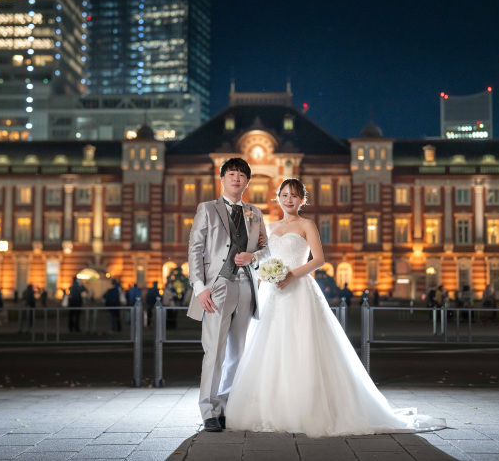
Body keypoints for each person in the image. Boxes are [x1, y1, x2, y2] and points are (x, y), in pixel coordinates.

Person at [227, 178, 445, 437]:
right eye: (284, 195)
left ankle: (307, 407)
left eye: (294, 196)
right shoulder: (270, 226)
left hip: (299, 289)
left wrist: (292, 274)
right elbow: (263, 258)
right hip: (273, 292)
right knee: (270, 346)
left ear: (302, 200)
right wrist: (265, 275)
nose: (289, 200)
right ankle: (272, 406)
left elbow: (319, 260)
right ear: (278, 197)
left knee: (303, 344)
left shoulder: (307, 225)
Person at [186, 157, 270, 433]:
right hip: (217, 287)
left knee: (238, 351)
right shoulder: (207, 209)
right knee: (214, 351)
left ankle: (227, 406)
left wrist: (253, 257)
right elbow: (195, 249)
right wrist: (200, 287)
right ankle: (209, 410)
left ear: (247, 182)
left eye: (241, 175)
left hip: (246, 286)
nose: (236, 178)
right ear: (222, 178)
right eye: (231, 174)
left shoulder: (255, 212)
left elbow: (266, 249)